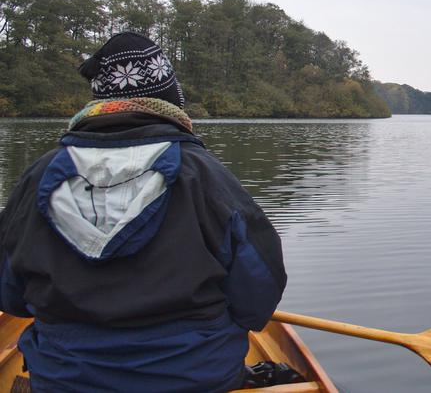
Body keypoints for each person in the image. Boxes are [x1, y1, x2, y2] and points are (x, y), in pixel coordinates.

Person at [0, 32, 287, 392]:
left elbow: (10, 298)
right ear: (170, 100)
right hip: (195, 377)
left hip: (67, 379)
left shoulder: (38, 178)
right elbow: (258, 297)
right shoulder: (208, 177)